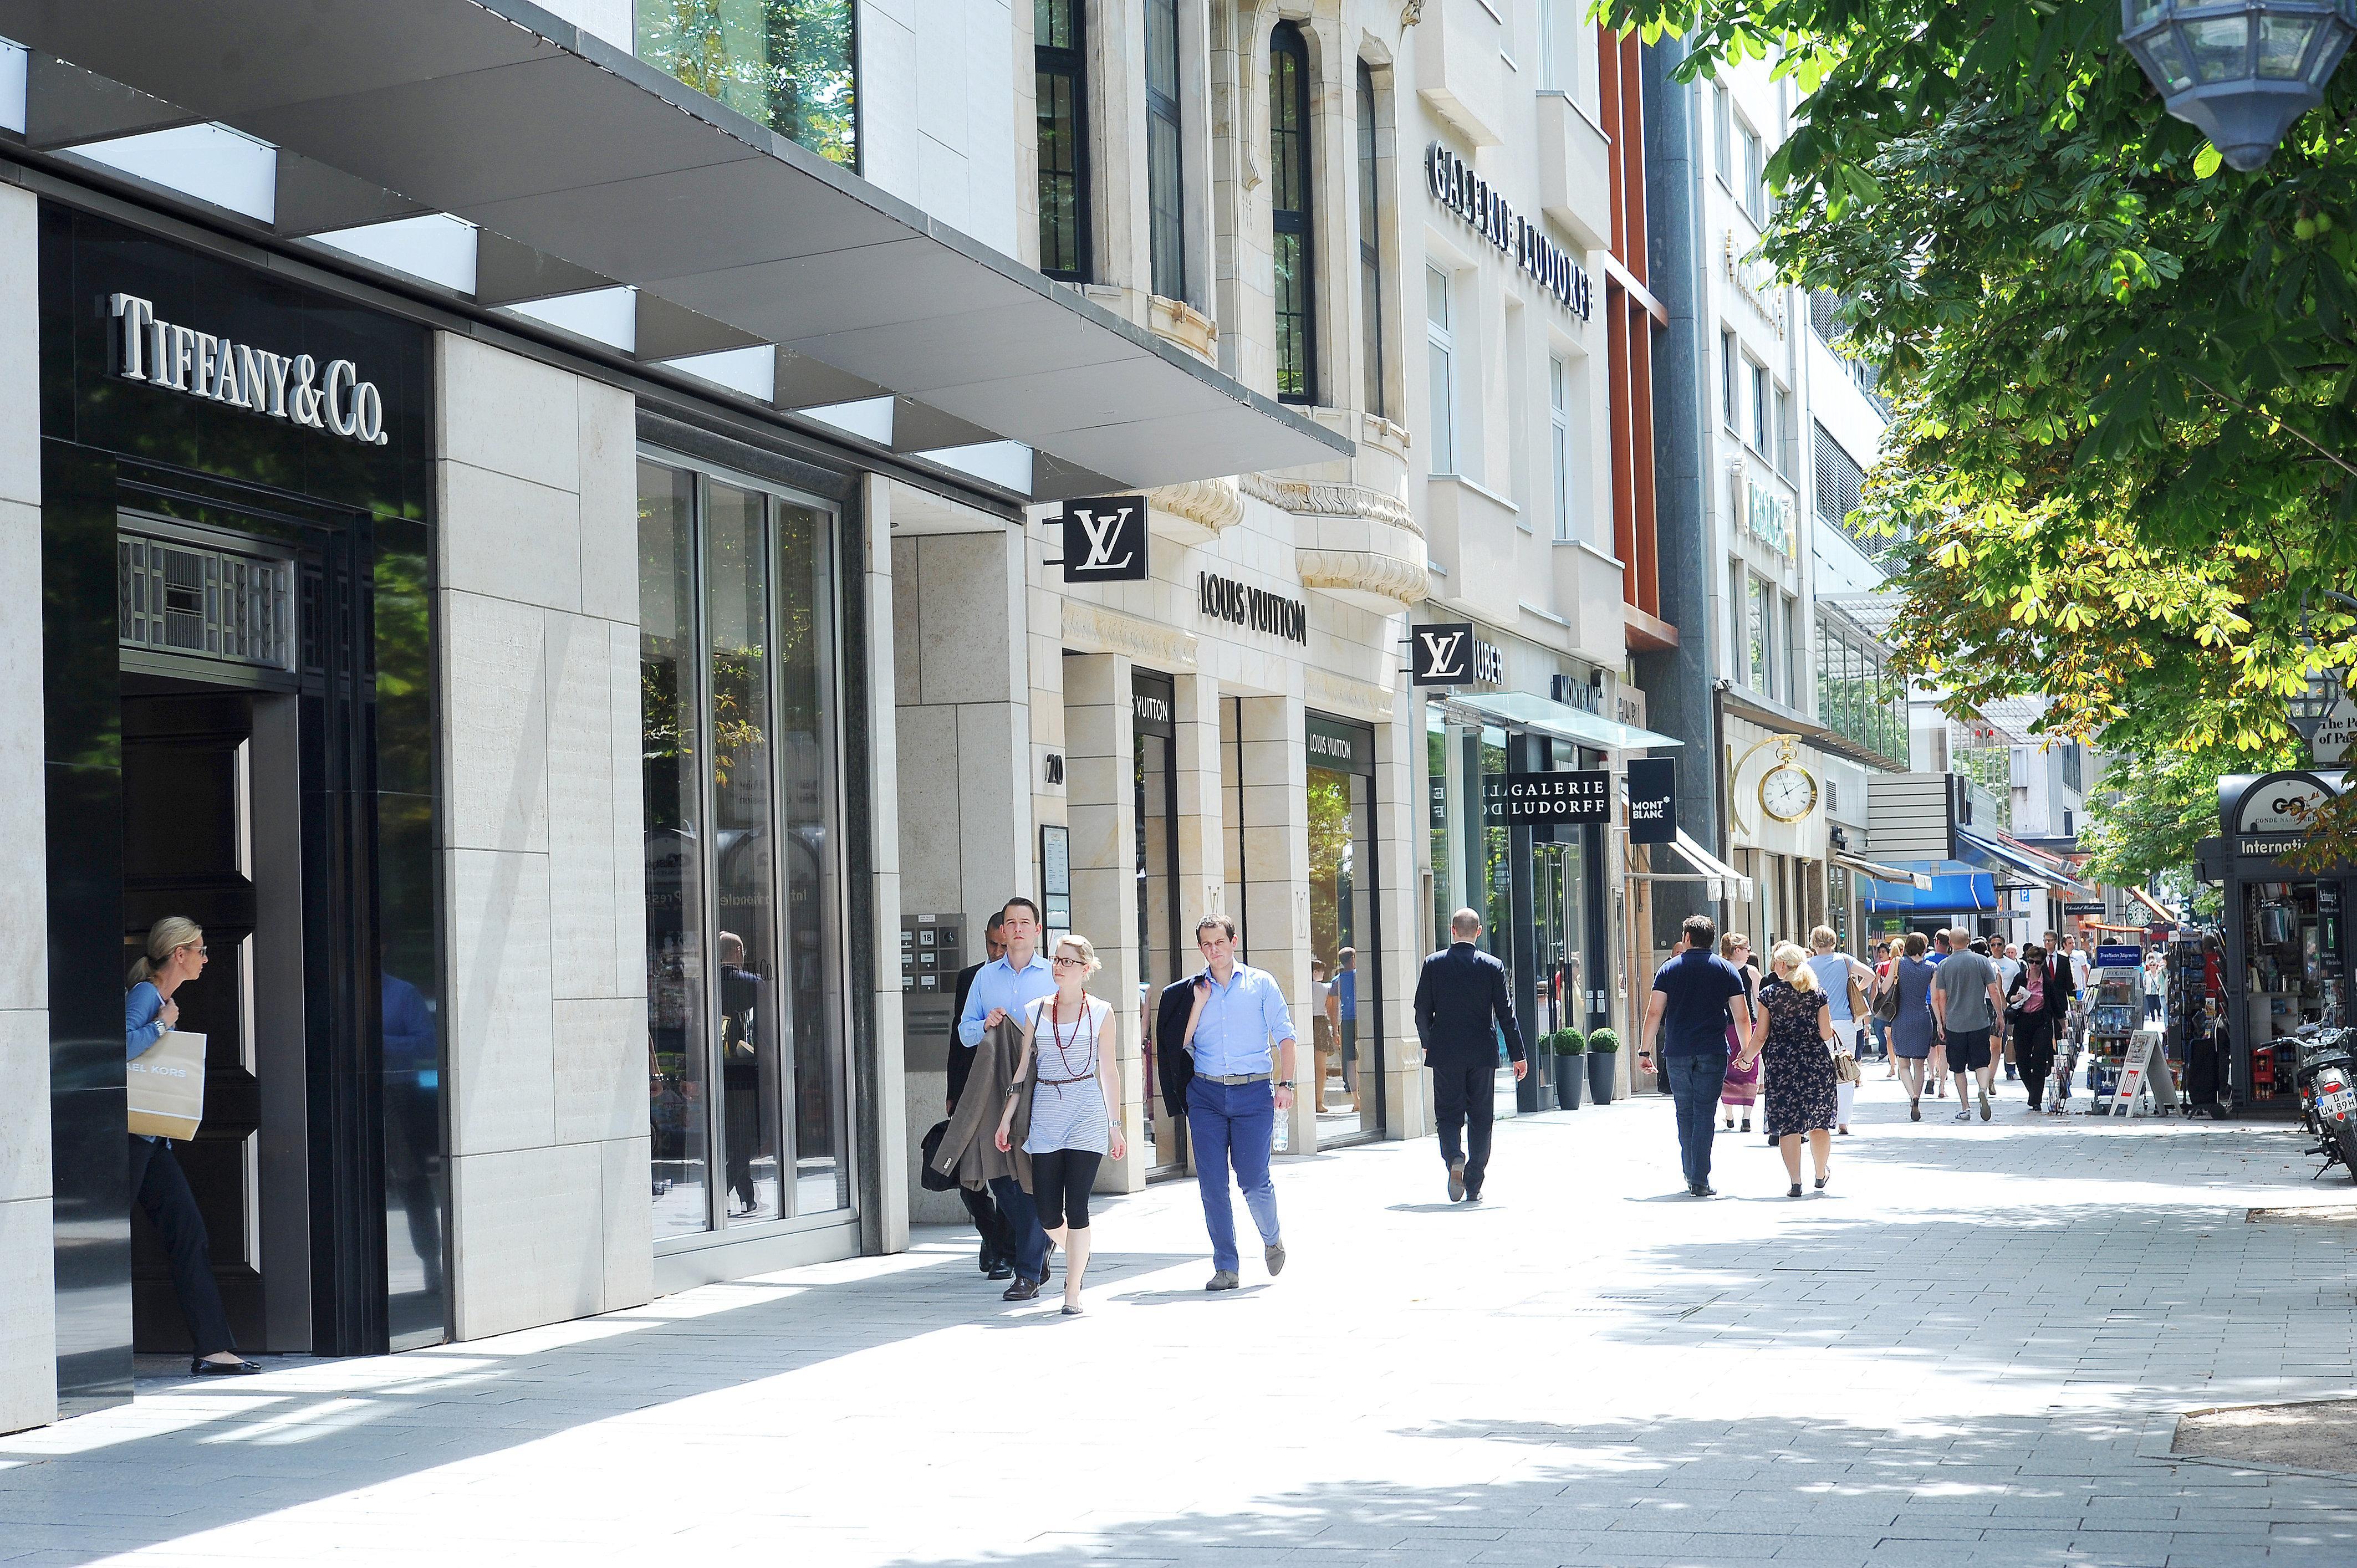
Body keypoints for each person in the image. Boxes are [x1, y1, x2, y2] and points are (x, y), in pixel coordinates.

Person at [126, 917, 259, 1376]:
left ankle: (213, 1348)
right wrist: (162, 1027)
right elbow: (119, 1046)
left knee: (189, 1233)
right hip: (133, 1139)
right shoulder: (147, 994)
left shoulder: (162, 997)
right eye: (201, 950)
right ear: (178, 953)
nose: (206, 958)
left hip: (151, 1138)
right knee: (101, 1237)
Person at [994, 934, 1126, 1315]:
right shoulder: (1036, 1009)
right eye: (1056, 959)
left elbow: (1110, 1071)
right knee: (1049, 1212)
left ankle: (1073, 1288)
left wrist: (1114, 1125)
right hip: (1048, 1112)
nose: (1058, 966)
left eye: (1068, 961)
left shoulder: (1101, 1011)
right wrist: (1006, 1117)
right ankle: (1078, 1253)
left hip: (1086, 1111)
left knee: (1079, 1205)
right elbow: (1022, 1069)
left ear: (1086, 969)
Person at [1180, 914, 1297, 1290]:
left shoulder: (1261, 984)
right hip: (1207, 1093)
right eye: (1206, 944)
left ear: (1233, 941)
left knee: (1253, 1178)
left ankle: (1271, 1235)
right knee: (1212, 1183)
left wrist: (1287, 1083)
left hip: (1253, 1093)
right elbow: (1180, 1042)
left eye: (1220, 942)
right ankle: (1226, 1266)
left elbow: (1286, 1037)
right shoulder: (1195, 988)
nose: (1214, 951)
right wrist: (1198, 1004)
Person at [952, 897, 1058, 1300]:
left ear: (1038, 929)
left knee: (1032, 1172)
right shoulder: (984, 977)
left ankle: (1027, 1271)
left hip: (1043, 1082)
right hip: (995, 1084)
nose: (1016, 929)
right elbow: (964, 1032)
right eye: (1010, 922)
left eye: (1024, 922)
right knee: (999, 1175)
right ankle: (1043, 1236)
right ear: (1001, 931)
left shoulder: (1053, 973)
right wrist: (986, 1024)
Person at [1412, 909, 1528, 1204]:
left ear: (1453, 931)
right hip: (1481, 1053)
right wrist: (1518, 1054)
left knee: (1448, 1116)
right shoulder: (1493, 966)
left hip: (1446, 1053)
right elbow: (1506, 1014)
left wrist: (1429, 1043)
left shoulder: (1433, 964)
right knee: (1481, 1118)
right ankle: (1474, 1181)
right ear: (1479, 932)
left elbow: (1421, 1011)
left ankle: (1454, 1157)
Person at [1640, 914, 1751, 1198]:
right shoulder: (1727, 970)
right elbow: (1741, 1016)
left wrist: (1644, 1051)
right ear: (1711, 940)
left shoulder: (1669, 969)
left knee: (1684, 1112)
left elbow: (1654, 1012)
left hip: (1677, 1051)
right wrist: (1747, 1052)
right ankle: (1699, 1178)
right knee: (1705, 1113)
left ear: (1687, 938)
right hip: (1713, 1050)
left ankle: (1691, 1172)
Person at [1739, 943, 1841, 1197]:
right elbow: (1826, 1033)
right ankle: (1820, 1175)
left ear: (1784, 965)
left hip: (1782, 1065)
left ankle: (1796, 1182)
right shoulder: (1817, 994)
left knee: (1788, 1125)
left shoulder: (1770, 994)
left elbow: (1761, 1035)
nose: (1774, 967)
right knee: (1819, 1123)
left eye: (1775, 962)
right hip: (1816, 1064)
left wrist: (1747, 1059)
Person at [947, 913, 1014, 1278]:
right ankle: (992, 1235)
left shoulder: (1024, 979)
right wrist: (952, 1091)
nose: (998, 951)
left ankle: (1005, 1250)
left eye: (1005, 945)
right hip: (973, 1089)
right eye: (993, 944)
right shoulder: (970, 978)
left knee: (1005, 1171)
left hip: (1010, 1088)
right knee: (966, 1177)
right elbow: (956, 1037)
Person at [1931, 926, 2008, 1122]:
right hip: (1980, 1021)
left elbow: (1940, 998)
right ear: (1969, 941)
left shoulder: (1945, 966)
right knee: (1982, 1062)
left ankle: (1966, 1107)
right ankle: (1982, 1090)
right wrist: (2000, 1015)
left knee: (1958, 1068)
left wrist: (1941, 1023)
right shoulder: (1982, 962)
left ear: (1951, 944)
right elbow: (1994, 991)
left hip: (1955, 1024)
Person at [1806, 927, 1873, 1135]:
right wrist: (1854, 989)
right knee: (1844, 1069)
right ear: (1834, 941)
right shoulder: (1845, 960)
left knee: (1817, 1071)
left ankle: (1819, 1116)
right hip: (1844, 1022)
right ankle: (1843, 1120)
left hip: (1816, 1023)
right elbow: (1870, 975)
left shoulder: (1806, 965)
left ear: (1813, 943)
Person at [2009, 942, 2073, 1110]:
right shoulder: (2020, 978)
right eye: (2031, 962)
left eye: (2038, 962)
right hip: (2023, 1022)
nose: (2034, 965)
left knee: (2038, 1060)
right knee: (2022, 1062)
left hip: (2041, 1023)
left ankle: (2036, 1099)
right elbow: (2009, 997)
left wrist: (2064, 1026)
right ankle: (2034, 1092)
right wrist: (2015, 998)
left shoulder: (2047, 982)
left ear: (2043, 963)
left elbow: (2056, 1005)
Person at [1886, 931, 1941, 1119]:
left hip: (1901, 1017)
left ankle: (1913, 1096)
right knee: (1920, 1064)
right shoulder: (1932, 968)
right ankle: (1918, 1098)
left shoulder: (1898, 963)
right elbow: (1934, 998)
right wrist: (1940, 1022)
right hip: (1922, 1017)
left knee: (1903, 1064)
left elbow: (1885, 988)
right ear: (1925, 947)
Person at [1717, 934, 1761, 1135]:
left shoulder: (1718, 969)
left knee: (1725, 1071)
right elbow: (1760, 1003)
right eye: (1746, 949)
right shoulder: (1752, 972)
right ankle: (1746, 1117)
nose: (1749, 953)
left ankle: (1729, 1115)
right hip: (1747, 1027)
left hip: (1723, 1027)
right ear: (1737, 950)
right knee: (1749, 1070)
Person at [1333, 947, 1361, 1114]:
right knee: (1362, 1060)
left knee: (1350, 1061)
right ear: (1353, 958)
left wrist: (1336, 1029)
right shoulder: (1360, 975)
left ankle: (1356, 1100)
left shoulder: (1337, 980)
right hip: (1362, 1020)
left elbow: (1334, 1006)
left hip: (1347, 1022)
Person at [1309, 958, 1335, 1111]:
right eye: (1320, 971)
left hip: (1306, 1022)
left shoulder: (1304, 988)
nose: (1323, 974)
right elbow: (1330, 1008)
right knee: (1321, 1067)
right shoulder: (1325, 988)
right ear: (1315, 972)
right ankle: (1319, 1102)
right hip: (1320, 1023)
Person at [2144, 948, 2167, 1024]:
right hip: (2150, 992)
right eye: (2151, 965)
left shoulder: (2159, 972)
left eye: (2154, 965)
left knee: (2158, 1005)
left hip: (2158, 992)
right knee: (2151, 1006)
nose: (2152, 966)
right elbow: (2144, 982)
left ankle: (2159, 1015)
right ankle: (2153, 1018)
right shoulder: (2147, 974)